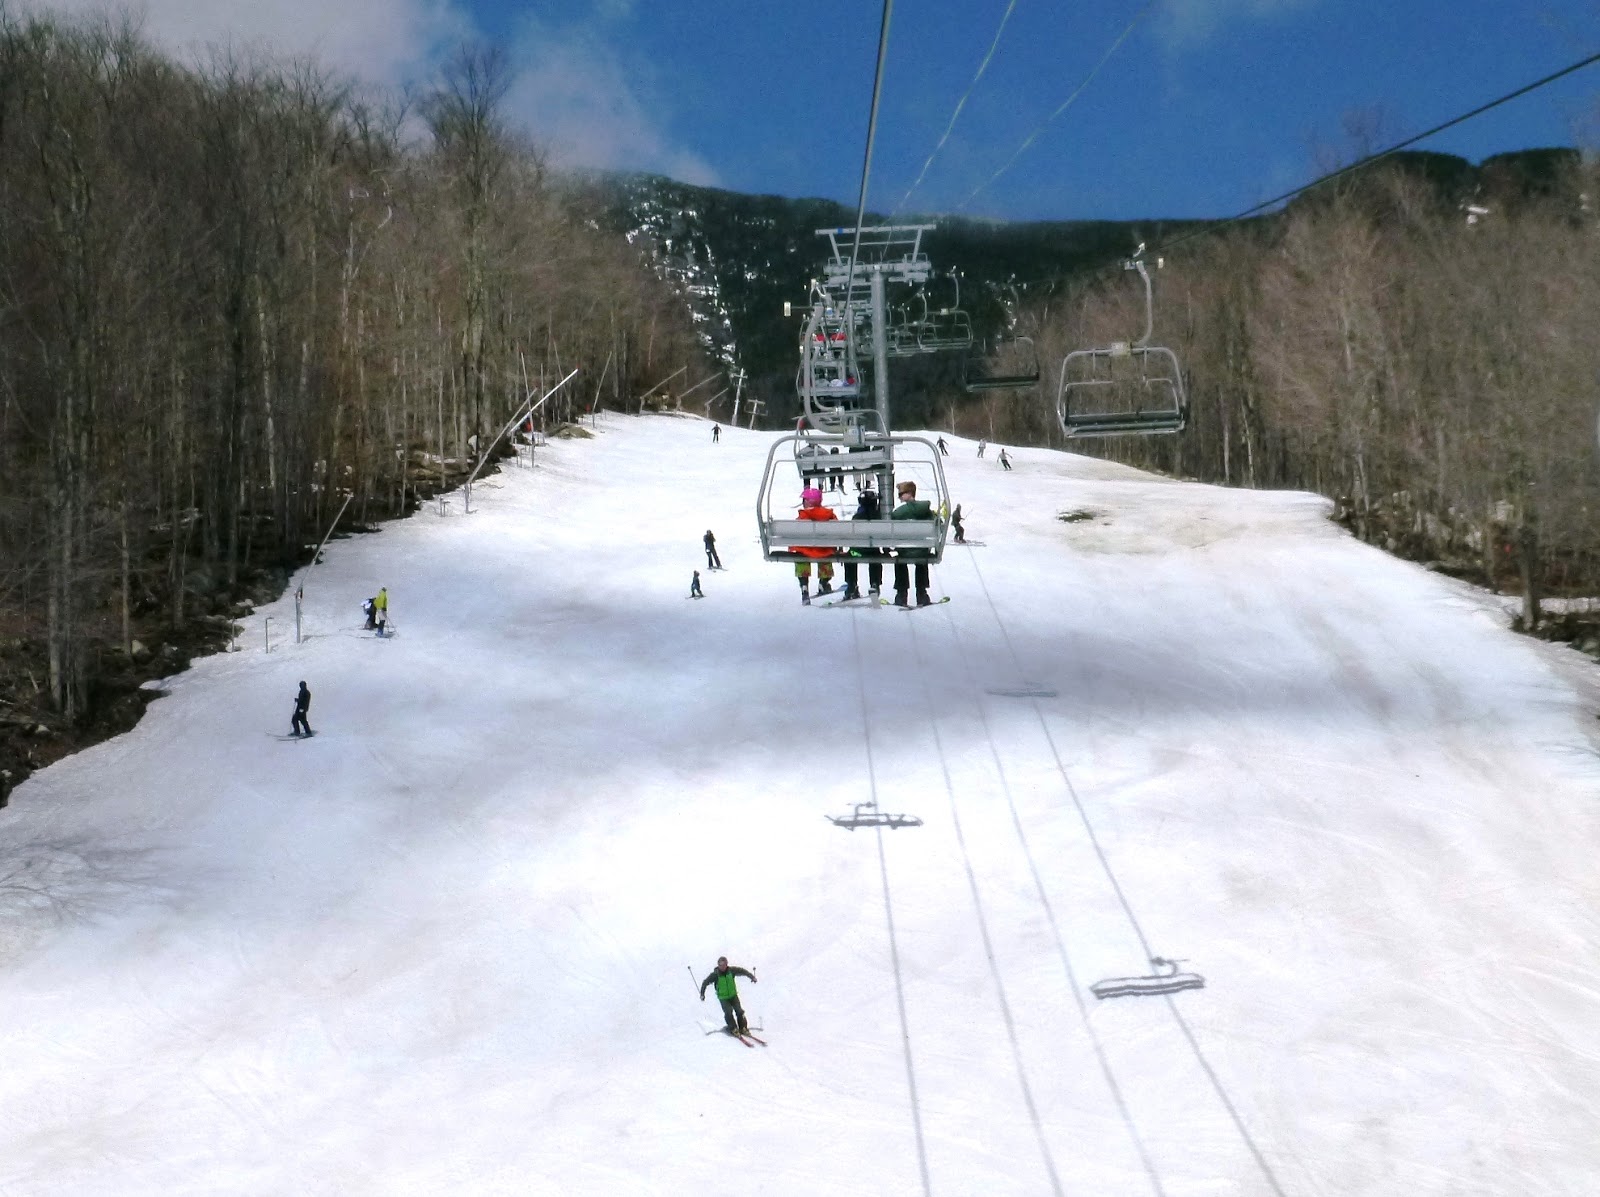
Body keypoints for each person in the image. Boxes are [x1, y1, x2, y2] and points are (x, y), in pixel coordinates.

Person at [891, 481, 934, 607]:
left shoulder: (899, 512)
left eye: (901, 494)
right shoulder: (925, 510)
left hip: (904, 550)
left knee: (900, 561)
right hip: (921, 550)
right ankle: (922, 594)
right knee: (921, 560)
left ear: (909, 493)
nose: (899, 497)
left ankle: (901, 594)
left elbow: (891, 524)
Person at [792, 487, 838, 604]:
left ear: (808, 502)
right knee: (826, 554)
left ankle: (804, 587)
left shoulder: (802, 516)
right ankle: (824, 582)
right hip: (824, 550)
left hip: (805, 550)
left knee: (800, 555)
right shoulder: (829, 515)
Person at [840, 488, 884, 601]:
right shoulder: (879, 517)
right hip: (873, 552)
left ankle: (852, 584)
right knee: (875, 556)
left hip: (857, 553)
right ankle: (875, 583)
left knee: (849, 556)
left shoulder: (857, 517)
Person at [699, 956, 757, 1035]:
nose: (722, 967)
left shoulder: (731, 971)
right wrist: (702, 994)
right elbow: (705, 982)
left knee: (739, 1011)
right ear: (718, 965)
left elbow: (743, 971)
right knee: (728, 1012)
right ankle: (733, 1028)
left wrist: (752, 977)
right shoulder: (715, 974)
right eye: (720, 965)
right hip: (723, 998)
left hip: (733, 995)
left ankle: (743, 1028)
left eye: (724, 964)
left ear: (727, 964)